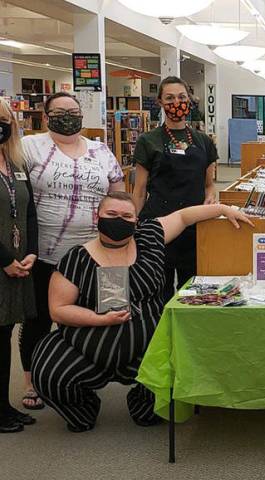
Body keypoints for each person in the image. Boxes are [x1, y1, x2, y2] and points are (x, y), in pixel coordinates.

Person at [31, 192, 254, 432]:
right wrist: (99, 319)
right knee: (48, 373)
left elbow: (183, 217)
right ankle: (84, 408)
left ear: (137, 221)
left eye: (127, 216)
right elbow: (58, 309)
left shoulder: (148, 237)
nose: (119, 220)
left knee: (163, 394)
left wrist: (223, 209)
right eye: (111, 215)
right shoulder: (77, 258)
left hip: (148, 349)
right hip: (86, 345)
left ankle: (141, 402)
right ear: (97, 218)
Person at [20, 92, 124, 410]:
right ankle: (31, 382)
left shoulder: (100, 149)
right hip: (44, 253)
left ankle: (91, 372)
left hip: (98, 252)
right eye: (60, 111)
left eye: (74, 111)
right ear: (47, 115)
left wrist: (124, 234)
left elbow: (118, 195)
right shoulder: (29, 146)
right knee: (38, 318)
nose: (68, 116)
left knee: (108, 311)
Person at [133, 76, 218, 302]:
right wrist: (133, 223)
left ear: (189, 100)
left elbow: (209, 184)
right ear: (160, 102)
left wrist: (210, 197)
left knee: (192, 287)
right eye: (169, 98)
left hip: (194, 225)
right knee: (157, 288)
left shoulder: (204, 142)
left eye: (181, 97)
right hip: (159, 225)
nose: (176, 103)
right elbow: (139, 189)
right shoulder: (148, 141)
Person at [0, 99, 38, 432]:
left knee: (5, 334)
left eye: (4, 119)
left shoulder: (15, 163)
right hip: (2, 264)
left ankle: (4, 407)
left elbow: (29, 212)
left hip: (19, 263)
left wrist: (32, 253)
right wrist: (5, 261)